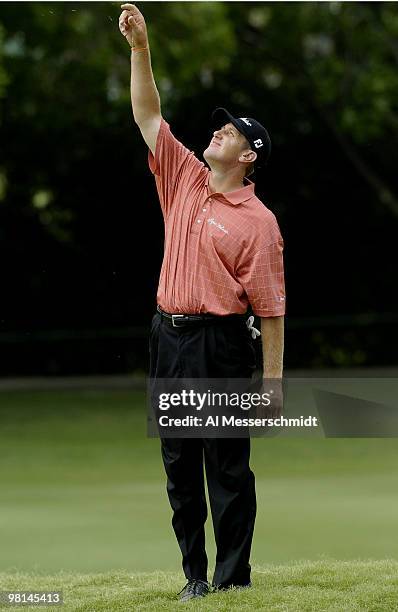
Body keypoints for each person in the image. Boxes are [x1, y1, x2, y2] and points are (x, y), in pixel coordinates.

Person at [119, 4, 286, 602]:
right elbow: (148, 114)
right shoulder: (185, 176)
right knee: (179, 465)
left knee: (227, 469)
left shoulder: (260, 224)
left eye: (232, 133)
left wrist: (271, 385)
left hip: (219, 345)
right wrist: (141, 48)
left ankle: (233, 578)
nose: (218, 132)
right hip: (169, 335)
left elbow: (269, 309)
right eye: (221, 128)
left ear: (249, 156)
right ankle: (194, 576)